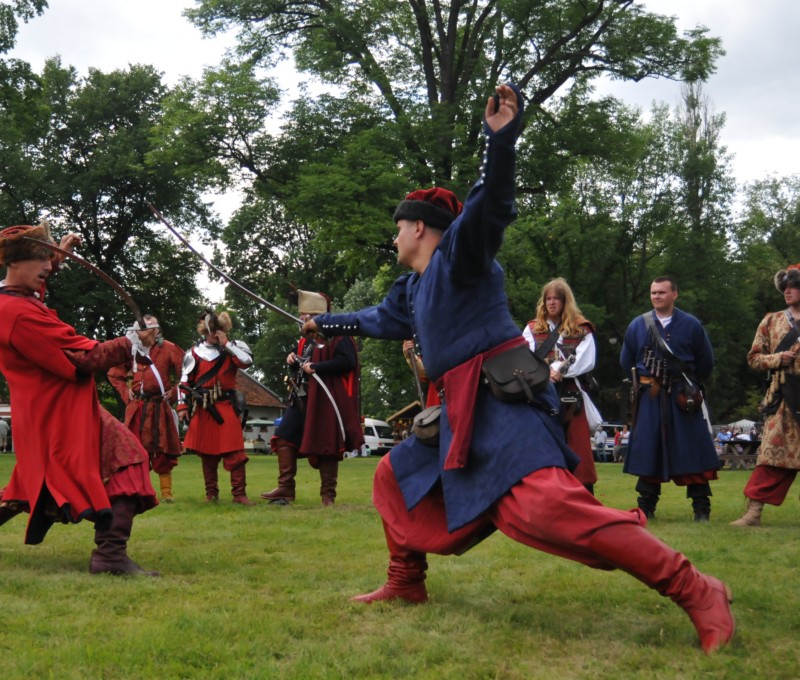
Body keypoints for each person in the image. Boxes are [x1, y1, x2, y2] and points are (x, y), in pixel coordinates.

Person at [300, 84, 733, 653]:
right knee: (392, 475)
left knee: (548, 510)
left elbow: (491, 205)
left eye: (399, 225)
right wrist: (326, 324)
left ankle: (696, 587)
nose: (394, 234)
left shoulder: (461, 256)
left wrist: (499, 142)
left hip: (501, 403)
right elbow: (378, 318)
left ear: (421, 227)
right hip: (457, 411)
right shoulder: (415, 287)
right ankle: (406, 581)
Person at [0, 223, 159, 576]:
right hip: (57, 411)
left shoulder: (9, 295)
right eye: (41, 259)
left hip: (46, 408)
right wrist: (131, 341)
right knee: (129, 459)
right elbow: (83, 358)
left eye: (48, 259)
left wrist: (56, 258)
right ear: (15, 262)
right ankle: (110, 555)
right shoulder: (19, 313)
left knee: (28, 484)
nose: (46, 267)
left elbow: (37, 284)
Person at [620, 276, 720, 522]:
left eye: (662, 292)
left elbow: (705, 363)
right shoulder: (637, 325)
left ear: (674, 294)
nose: (656, 296)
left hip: (682, 397)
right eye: (653, 292)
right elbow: (626, 361)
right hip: (650, 397)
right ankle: (646, 508)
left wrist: (687, 386)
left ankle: (701, 508)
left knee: (692, 448)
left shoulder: (691, 324)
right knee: (649, 450)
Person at [260, 290, 363, 506]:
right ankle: (286, 488)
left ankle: (328, 496)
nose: (301, 318)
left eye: (305, 314)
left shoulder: (338, 334)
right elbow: (300, 367)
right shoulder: (305, 340)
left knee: (327, 444)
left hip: (326, 397)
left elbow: (347, 362)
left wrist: (317, 367)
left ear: (316, 315)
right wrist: (292, 360)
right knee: (284, 436)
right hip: (302, 396)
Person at [731, 265, 800, 527]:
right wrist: (777, 358)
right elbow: (754, 358)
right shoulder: (772, 320)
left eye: (793, 287)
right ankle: (753, 513)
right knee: (771, 456)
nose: (787, 292)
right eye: (785, 287)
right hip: (783, 397)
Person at [522, 278, 600, 492]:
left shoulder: (581, 328)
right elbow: (524, 358)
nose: (552, 302)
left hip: (571, 395)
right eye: (548, 298)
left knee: (578, 446)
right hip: (540, 394)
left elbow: (586, 359)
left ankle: (584, 495)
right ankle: (546, 494)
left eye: (556, 298)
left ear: (566, 301)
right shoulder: (532, 329)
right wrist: (545, 373)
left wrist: (559, 370)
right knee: (542, 444)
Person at [178, 310, 256, 505]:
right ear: (205, 331)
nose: (216, 333)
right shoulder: (193, 352)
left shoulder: (233, 347)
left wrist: (227, 344)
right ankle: (211, 494)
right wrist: (182, 406)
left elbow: (246, 362)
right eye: (212, 330)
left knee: (235, 452)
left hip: (226, 405)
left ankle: (239, 494)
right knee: (207, 453)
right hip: (203, 407)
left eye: (219, 330)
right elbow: (184, 382)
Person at [107, 315, 185, 502]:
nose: (143, 330)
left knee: (163, 452)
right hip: (138, 407)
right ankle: (140, 491)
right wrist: (125, 392)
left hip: (160, 407)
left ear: (156, 330)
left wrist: (175, 392)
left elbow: (187, 374)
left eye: (148, 327)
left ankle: (166, 494)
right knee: (135, 450)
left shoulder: (170, 348)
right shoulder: (131, 350)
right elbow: (114, 374)